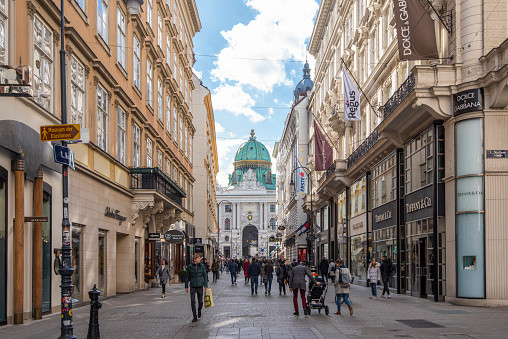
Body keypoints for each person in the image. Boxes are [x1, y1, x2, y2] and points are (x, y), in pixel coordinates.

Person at [185, 254, 209, 322]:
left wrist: (205, 285)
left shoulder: (202, 266)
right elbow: (187, 277)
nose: (200, 259)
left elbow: (205, 275)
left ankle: (199, 310)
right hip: (192, 285)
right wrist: (186, 286)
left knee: (200, 301)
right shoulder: (190, 267)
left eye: (200, 258)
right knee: (193, 301)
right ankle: (194, 316)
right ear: (195, 259)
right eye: (198, 258)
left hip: (200, 285)